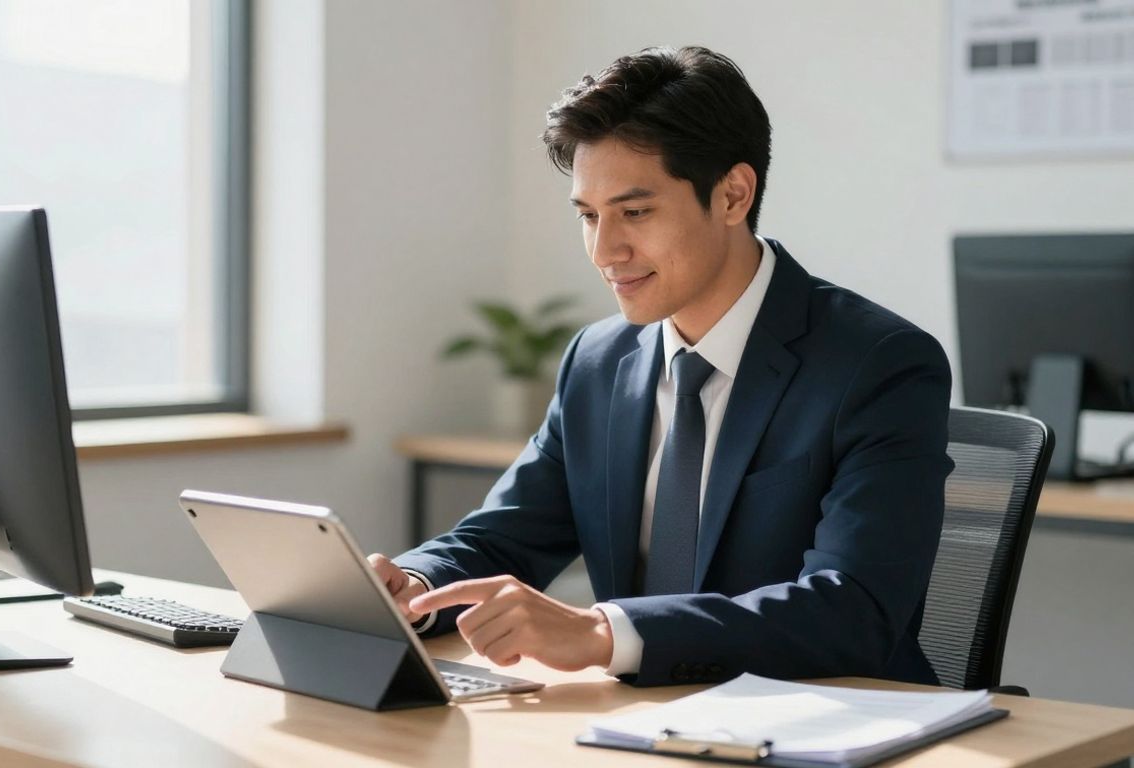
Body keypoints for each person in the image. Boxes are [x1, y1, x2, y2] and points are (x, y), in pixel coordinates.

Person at [368, 46, 953, 687]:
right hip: (642, 719)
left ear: (732, 195)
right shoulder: (597, 361)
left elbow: (852, 610)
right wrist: (415, 587)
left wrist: (604, 633)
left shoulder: (878, 364)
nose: (604, 250)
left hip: (825, 717)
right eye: (588, 216)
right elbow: (505, 537)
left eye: (635, 212)